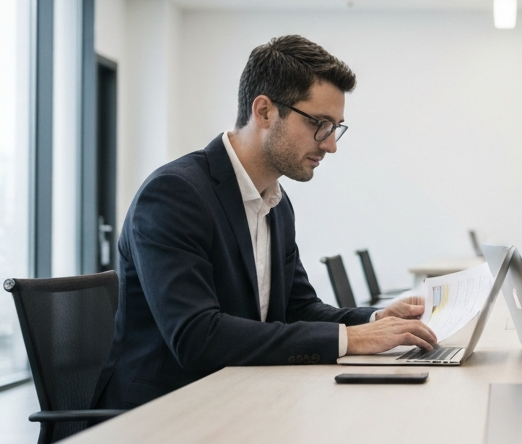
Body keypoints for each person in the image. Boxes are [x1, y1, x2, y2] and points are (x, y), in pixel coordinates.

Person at [94, 35, 435, 409]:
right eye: (320, 124)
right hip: (162, 415)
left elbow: (298, 309)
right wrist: (351, 339)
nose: (331, 144)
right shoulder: (174, 195)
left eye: (336, 127)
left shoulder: (275, 201)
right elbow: (197, 337)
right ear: (265, 111)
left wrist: (375, 319)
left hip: (241, 398)